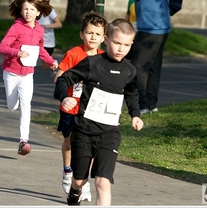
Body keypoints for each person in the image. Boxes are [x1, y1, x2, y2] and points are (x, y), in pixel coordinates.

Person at [54, 18, 144, 206]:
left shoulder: (129, 70)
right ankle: (74, 191)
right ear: (107, 39)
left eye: (126, 45)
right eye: (117, 43)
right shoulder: (92, 63)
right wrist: (64, 97)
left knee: (103, 182)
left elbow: (132, 94)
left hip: (109, 133)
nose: (121, 49)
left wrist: (135, 114)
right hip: (84, 131)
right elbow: (64, 79)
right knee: (80, 180)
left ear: (132, 44)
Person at [103, 0, 183, 114]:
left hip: (149, 29)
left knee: (138, 67)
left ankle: (142, 105)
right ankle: (152, 105)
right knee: (154, 67)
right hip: (163, 29)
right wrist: (165, 14)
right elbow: (177, 0)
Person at [53, 11, 107, 202]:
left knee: (89, 148)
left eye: (97, 34)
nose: (93, 37)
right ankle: (68, 171)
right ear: (81, 34)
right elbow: (59, 78)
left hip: (92, 110)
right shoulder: (73, 54)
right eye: (89, 32)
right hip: (71, 107)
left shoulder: (104, 58)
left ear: (104, 37)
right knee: (69, 141)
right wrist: (65, 91)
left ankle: (82, 182)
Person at [0, 0, 58, 155]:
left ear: (38, 12)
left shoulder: (39, 30)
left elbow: (40, 50)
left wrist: (51, 62)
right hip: (11, 72)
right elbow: (2, 47)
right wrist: (17, 53)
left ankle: (23, 141)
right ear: (21, 10)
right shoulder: (16, 27)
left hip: (27, 74)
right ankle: (14, 100)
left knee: (27, 106)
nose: (28, 12)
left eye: (32, 9)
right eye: (25, 9)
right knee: (12, 106)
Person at [35, 0, 62, 70]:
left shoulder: (49, 10)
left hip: (48, 42)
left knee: (45, 66)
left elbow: (59, 24)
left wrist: (44, 27)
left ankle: (56, 66)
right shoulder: (34, 9)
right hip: (37, 41)